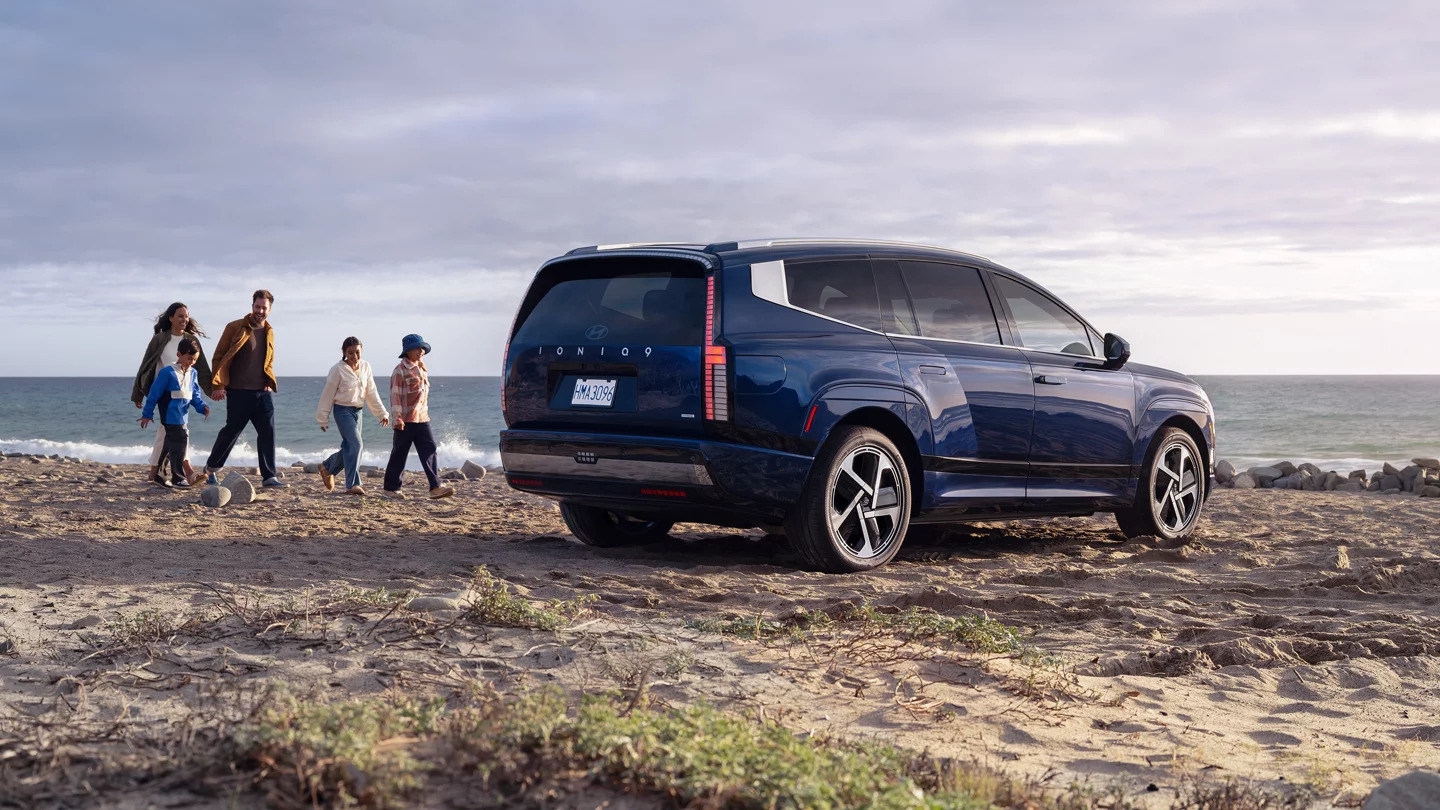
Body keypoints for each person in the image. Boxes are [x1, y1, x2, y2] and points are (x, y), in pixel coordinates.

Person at [201, 290, 286, 487]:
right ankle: (211, 469)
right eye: (257, 307)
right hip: (238, 391)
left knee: (268, 431)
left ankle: (269, 476)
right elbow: (219, 356)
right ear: (252, 306)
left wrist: (268, 378)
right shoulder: (235, 327)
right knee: (232, 431)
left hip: (262, 392)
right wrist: (218, 385)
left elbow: (268, 360)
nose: (260, 311)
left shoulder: (269, 331)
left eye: (264, 308)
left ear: (270, 309)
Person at [131, 302, 213, 488]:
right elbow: (146, 366)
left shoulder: (191, 341)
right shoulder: (160, 339)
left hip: (183, 394)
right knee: (178, 433)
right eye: (180, 316)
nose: (184, 319)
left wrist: (211, 393)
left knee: (168, 435)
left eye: (186, 316)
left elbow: (202, 369)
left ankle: (156, 473)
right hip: (164, 395)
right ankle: (185, 473)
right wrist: (138, 395)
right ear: (171, 318)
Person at [382, 334, 454, 500]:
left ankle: (435, 486)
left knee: (430, 450)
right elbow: (395, 397)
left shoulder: (422, 368)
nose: (421, 351)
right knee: (399, 453)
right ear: (408, 351)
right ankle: (391, 489)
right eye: (417, 348)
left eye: (422, 348)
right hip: (405, 420)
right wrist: (397, 418)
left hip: (422, 417)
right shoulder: (400, 371)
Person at [315, 337, 389, 495]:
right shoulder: (337, 369)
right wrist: (323, 417)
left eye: (357, 352)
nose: (354, 356)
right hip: (342, 410)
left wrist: (381, 413)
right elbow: (327, 394)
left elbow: (371, 392)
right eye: (350, 353)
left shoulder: (366, 367)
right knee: (356, 445)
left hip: (358, 411)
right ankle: (353, 484)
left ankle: (327, 467)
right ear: (344, 353)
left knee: (351, 447)